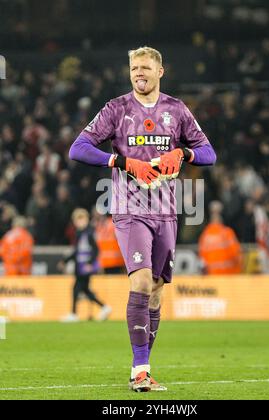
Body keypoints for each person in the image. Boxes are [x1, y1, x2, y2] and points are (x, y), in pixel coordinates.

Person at [69, 46, 216, 391]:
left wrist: (184, 153)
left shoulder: (176, 110)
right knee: (141, 280)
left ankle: (143, 367)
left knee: (156, 291)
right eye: (134, 67)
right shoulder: (117, 109)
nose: (139, 73)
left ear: (160, 71)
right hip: (129, 209)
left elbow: (209, 153)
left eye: (146, 68)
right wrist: (120, 162)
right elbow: (78, 147)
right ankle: (140, 369)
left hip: (166, 211)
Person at [59, 208, 112, 322]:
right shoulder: (80, 233)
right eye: (77, 220)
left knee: (76, 289)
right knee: (85, 290)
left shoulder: (89, 232)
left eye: (81, 219)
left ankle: (74, 314)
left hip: (85, 266)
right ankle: (104, 307)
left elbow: (96, 250)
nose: (79, 222)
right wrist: (66, 260)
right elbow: (76, 251)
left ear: (86, 219)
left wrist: (90, 263)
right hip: (80, 266)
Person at [199, 201, 243, 275]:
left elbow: (202, 259)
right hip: (229, 275)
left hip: (213, 276)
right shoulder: (227, 232)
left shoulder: (205, 235)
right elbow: (236, 254)